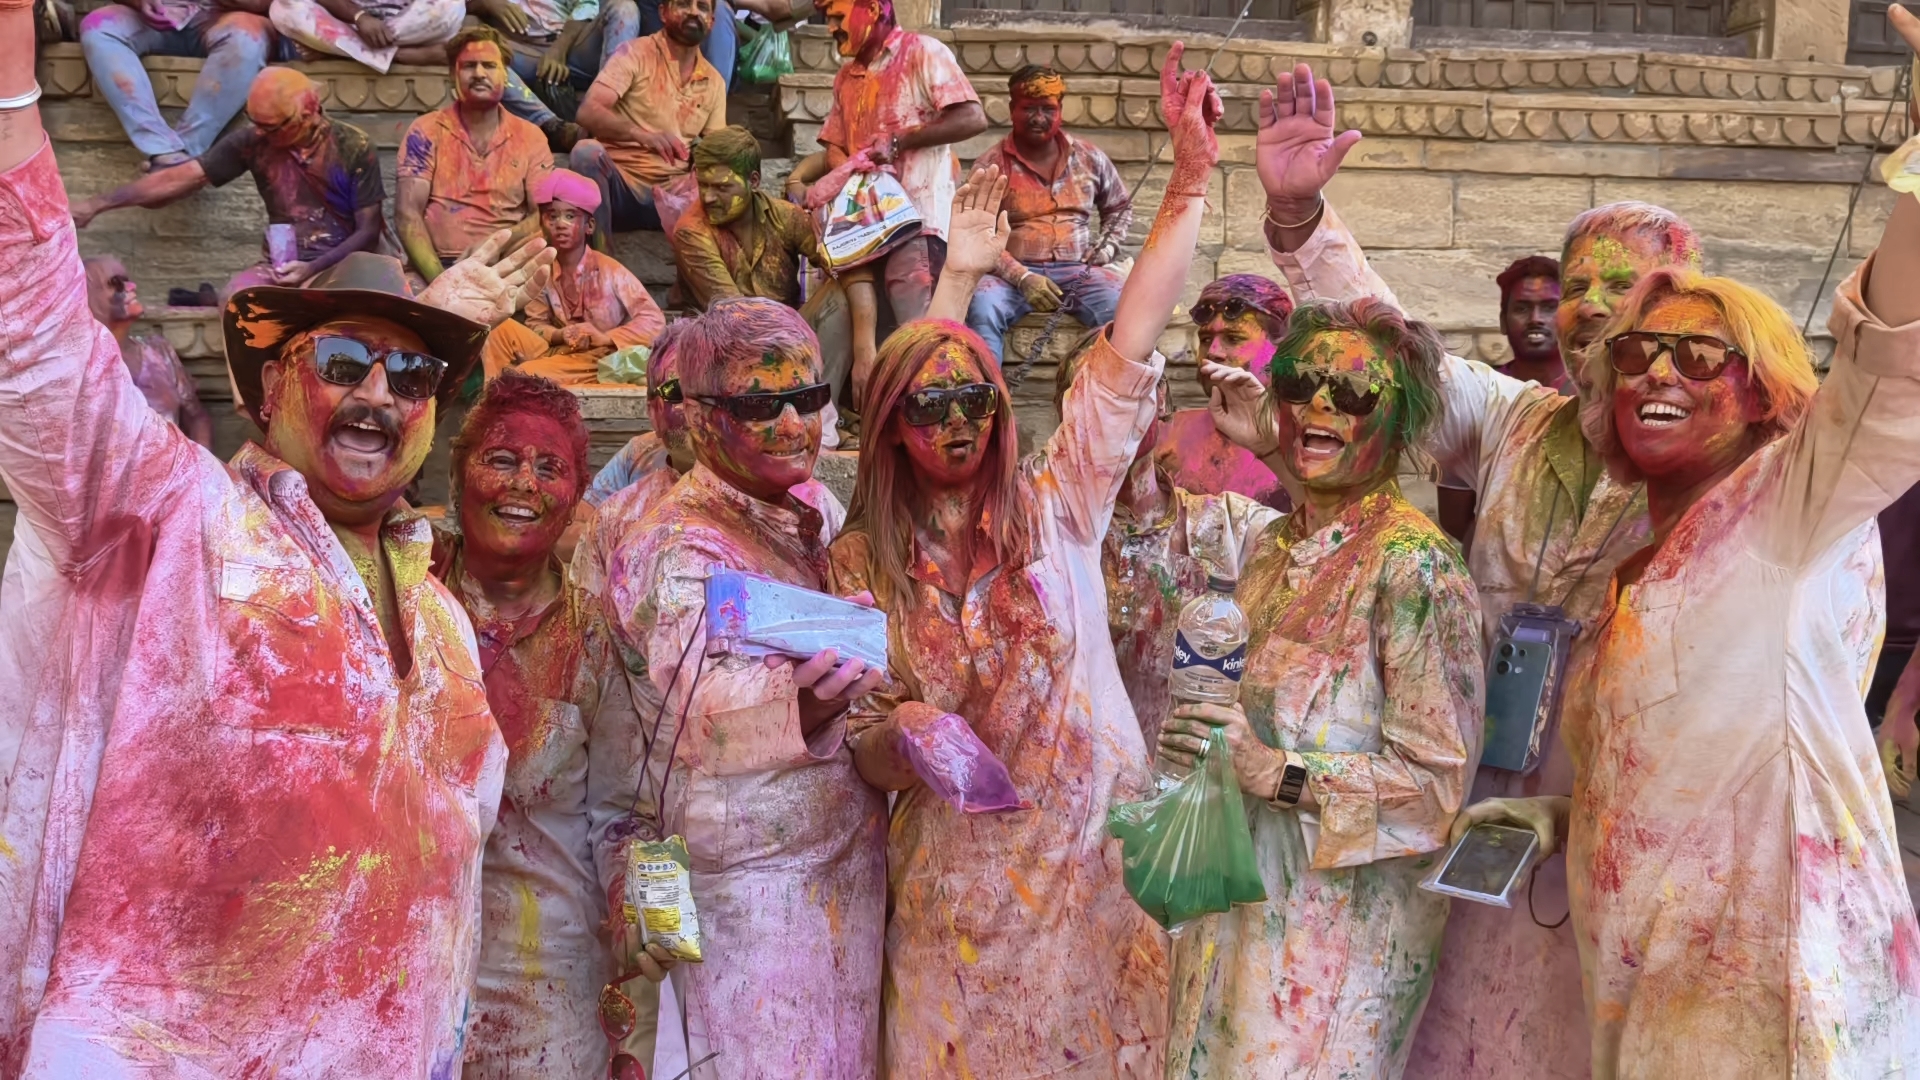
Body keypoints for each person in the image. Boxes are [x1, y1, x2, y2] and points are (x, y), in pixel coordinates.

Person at [0, 52, 564, 1063]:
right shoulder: (176, 519)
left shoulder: (440, 618)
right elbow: (33, 344)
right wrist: (8, 82)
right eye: (343, 363)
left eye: (412, 378)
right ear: (268, 393)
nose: (379, 396)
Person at [1457, 78, 1920, 1067]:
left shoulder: (1787, 513)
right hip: (1655, 1004)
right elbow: (1688, 758)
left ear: (1763, 392)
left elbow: (1889, 373)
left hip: (1780, 1005)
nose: (1659, 373)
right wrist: (1566, 815)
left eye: (1701, 357)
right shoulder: (1649, 564)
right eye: (1637, 354)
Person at [1253, 63, 1702, 1080]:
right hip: (1468, 802)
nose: (1591, 308)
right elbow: (1400, 351)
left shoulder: (1718, 472)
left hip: (1608, 821)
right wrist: (1301, 222)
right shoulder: (1513, 419)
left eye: (1624, 287)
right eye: (1577, 285)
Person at [824, 50, 1217, 1078]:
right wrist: (905, 735)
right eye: (928, 405)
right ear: (890, 427)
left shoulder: (1059, 507)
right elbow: (859, 750)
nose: (957, 420)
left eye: (977, 401)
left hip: (1094, 874)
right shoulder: (862, 561)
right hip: (953, 901)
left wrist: (1187, 182)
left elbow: (1130, 343)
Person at [1166, 296, 1483, 1078]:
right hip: (1229, 922)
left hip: (1334, 956)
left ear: (1400, 422)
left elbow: (1433, 791)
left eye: (1353, 393)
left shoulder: (1416, 568)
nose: (1319, 407)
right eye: (1301, 384)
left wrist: (1276, 773)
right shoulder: (1274, 546)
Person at [588, 297, 886, 1077]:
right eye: (759, 405)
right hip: (751, 889)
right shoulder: (674, 544)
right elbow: (708, 714)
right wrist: (815, 699)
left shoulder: (812, 506)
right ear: (699, 417)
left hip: (846, 870)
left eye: (808, 398)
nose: (792, 424)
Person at [433, 370, 672, 1080]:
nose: (523, 485)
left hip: (545, 990)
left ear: (577, 495)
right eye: (502, 459)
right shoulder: (404, 596)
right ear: (458, 472)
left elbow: (633, 811)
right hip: (407, 963)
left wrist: (656, 912)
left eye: (549, 469)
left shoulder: (598, 639)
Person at [1051, 329, 1278, 748]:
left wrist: (1272, 447)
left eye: (1136, 390)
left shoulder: (1226, 525)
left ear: (1163, 401)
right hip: (1073, 774)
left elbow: (1336, 541)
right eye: (1100, 396)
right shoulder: (1041, 529)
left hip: (1185, 777)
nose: (1120, 410)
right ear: (1067, 418)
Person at [787, 0, 985, 394]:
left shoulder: (922, 51)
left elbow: (972, 117)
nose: (831, 27)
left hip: (918, 225)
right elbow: (834, 146)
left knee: (922, 349)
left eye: (837, 16)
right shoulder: (846, 76)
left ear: (874, 10)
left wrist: (899, 142)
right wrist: (853, 168)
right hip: (860, 229)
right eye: (827, 19)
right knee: (841, 333)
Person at [72, 68, 386, 299]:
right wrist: (98, 204)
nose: (259, 132)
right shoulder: (253, 142)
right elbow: (181, 177)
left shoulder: (352, 146)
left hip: (347, 262)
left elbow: (369, 231)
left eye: (270, 127)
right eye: (254, 122)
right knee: (236, 300)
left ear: (308, 116)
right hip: (285, 266)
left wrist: (314, 268)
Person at [673, 125, 879, 427]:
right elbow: (735, 315)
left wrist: (865, 350)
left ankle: (823, 414)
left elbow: (848, 265)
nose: (708, 197)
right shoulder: (691, 231)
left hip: (790, 338)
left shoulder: (786, 217)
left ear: (754, 181)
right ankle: (800, 409)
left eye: (722, 187)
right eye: (703, 185)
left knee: (843, 289)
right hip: (726, 349)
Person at [964, 65, 1130, 365]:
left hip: (1080, 271)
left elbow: (1119, 208)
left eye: (1048, 109)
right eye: (1029, 108)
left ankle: (1105, 392)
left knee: (1123, 306)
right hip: (1009, 276)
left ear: (1060, 111)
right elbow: (978, 233)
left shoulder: (1090, 157)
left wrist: (1105, 249)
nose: (1038, 117)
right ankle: (989, 392)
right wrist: (1023, 277)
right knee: (983, 307)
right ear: (1012, 110)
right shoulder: (990, 165)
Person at [397, 27, 555, 284]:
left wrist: (495, 244)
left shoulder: (531, 137)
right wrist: (441, 282)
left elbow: (543, 216)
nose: (479, 73)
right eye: (469, 66)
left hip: (506, 264)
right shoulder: (425, 130)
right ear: (453, 74)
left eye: (489, 66)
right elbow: (407, 214)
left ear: (505, 75)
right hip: (435, 268)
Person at [481, 168, 664, 385]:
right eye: (552, 216)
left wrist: (606, 337)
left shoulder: (611, 272)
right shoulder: (543, 271)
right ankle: (494, 393)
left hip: (598, 358)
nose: (560, 224)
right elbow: (536, 324)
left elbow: (655, 321)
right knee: (497, 328)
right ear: (541, 224)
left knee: (527, 372)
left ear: (589, 226)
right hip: (557, 351)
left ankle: (517, 379)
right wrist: (562, 334)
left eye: (570, 216)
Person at [1436, 254, 1566, 546]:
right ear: (1502, 321)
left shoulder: (1593, 392)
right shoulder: (1478, 394)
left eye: (1549, 307)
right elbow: (1454, 516)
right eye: (1522, 308)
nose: (1535, 318)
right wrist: (1504, 557)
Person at [569, 0, 725, 235]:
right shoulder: (634, 53)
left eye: (702, 7)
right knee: (585, 152)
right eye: (683, 4)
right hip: (619, 186)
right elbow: (588, 111)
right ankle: (598, 255)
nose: (694, 12)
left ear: (711, 22)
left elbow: (718, 147)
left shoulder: (714, 81)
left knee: (723, 177)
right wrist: (642, 135)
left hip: (674, 194)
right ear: (663, 12)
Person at [78, 0, 273, 173]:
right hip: (158, 15)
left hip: (228, 19)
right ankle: (162, 148)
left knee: (247, 40)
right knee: (99, 27)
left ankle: (186, 152)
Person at [1155, 273, 1293, 509]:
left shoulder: (1310, 440)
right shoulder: (1169, 434)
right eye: (1206, 339)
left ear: (1279, 351)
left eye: (1233, 338)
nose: (1213, 352)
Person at [82, 255, 215, 448]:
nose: (131, 287)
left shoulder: (159, 352)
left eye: (127, 281)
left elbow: (197, 418)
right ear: (87, 298)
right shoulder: (80, 365)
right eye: (116, 283)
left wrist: (203, 462)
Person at [477, 0, 638, 150]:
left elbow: (587, 4)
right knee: (478, 49)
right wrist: (488, 3)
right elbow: (464, 9)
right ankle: (555, 128)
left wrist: (559, 48)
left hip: (572, 42)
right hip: (519, 51)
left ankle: (608, 111)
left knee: (623, 8)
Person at [269, 0, 462, 70]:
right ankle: (396, 55)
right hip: (348, 25)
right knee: (282, 7)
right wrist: (359, 16)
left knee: (453, 5)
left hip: (407, 27)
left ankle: (342, 53)